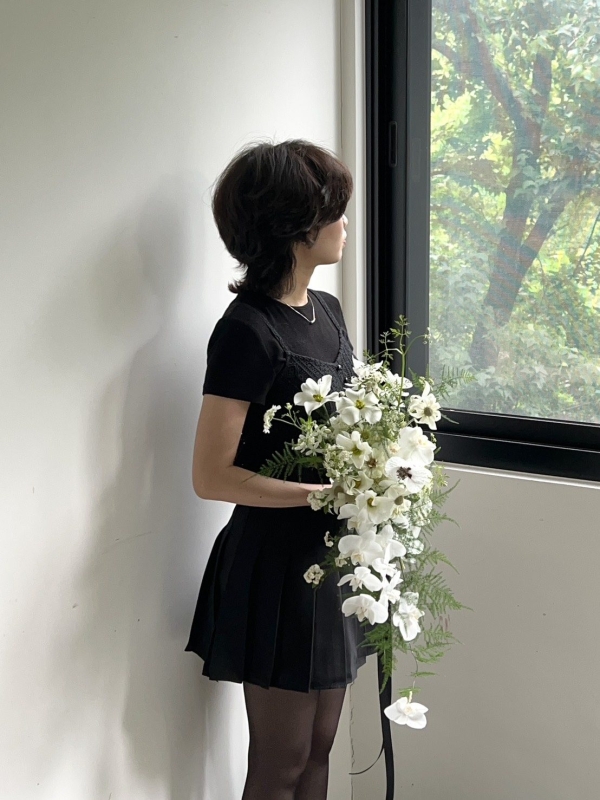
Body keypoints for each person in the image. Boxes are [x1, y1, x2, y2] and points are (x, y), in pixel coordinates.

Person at [185, 138, 376, 800]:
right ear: (296, 226)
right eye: (334, 210)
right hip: (274, 567)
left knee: (319, 752)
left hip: (333, 558)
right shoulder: (246, 330)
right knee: (282, 761)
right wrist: (321, 494)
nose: (345, 223)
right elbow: (211, 476)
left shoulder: (328, 311)